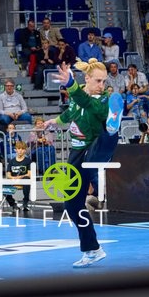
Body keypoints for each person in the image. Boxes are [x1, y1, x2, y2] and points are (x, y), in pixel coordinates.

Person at [44, 60, 123, 268]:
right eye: (98, 80)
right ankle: (93, 249)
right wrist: (54, 122)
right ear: (86, 78)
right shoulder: (76, 97)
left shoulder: (103, 100)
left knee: (105, 138)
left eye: (104, 81)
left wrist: (70, 84)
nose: (102, 84)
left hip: (94, 147)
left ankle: (113, 128)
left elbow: (87, 103)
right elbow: (70, 114)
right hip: (76, 153)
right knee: (72, 205)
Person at [4, 141, 32, 212]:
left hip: (23, 181)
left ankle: (25, 202)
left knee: (26, 179)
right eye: (19, 149)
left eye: (22, 149)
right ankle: (13, 204)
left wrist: (18, 177)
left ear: (25, 150)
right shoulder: (11, 161)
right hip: (13, 180)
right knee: (4, 185)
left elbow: (29, 174)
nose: (20, 151)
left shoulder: (28, 161)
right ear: (16, 149)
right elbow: (8, 175)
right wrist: (13, 178)